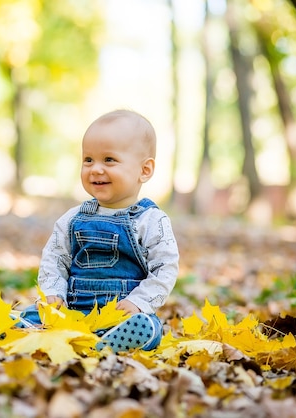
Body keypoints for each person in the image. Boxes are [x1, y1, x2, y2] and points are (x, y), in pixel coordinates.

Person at [20, 109, 179, 352]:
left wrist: (138, 302)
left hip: (120, 315)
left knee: (148, 326)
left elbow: (165, 268)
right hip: (72, 311)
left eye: (109, 160)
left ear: (144, 170)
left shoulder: (151, 220)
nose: (95, 169)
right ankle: (29, 328)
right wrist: (54, 293)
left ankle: (109, 342)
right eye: (88, 160)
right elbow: (55, 258)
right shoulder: (73, 218)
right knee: (30, 314)